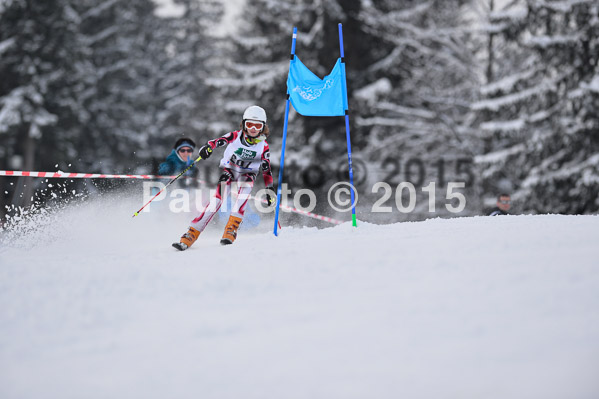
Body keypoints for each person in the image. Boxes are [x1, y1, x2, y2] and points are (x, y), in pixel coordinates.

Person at [172, 105, 275, 250]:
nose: (253, 128)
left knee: (243, 195)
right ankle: (191, 234)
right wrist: (207, 148)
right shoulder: (236, 135)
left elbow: (266, 169)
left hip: (248, 174)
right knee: (217, 200)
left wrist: (269, 189)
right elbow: (218, 141)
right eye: (249, 124)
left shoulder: (263, 146)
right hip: (231, 171)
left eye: (257, 125)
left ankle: (230, 230)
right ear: (244, 124)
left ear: (263, 127)